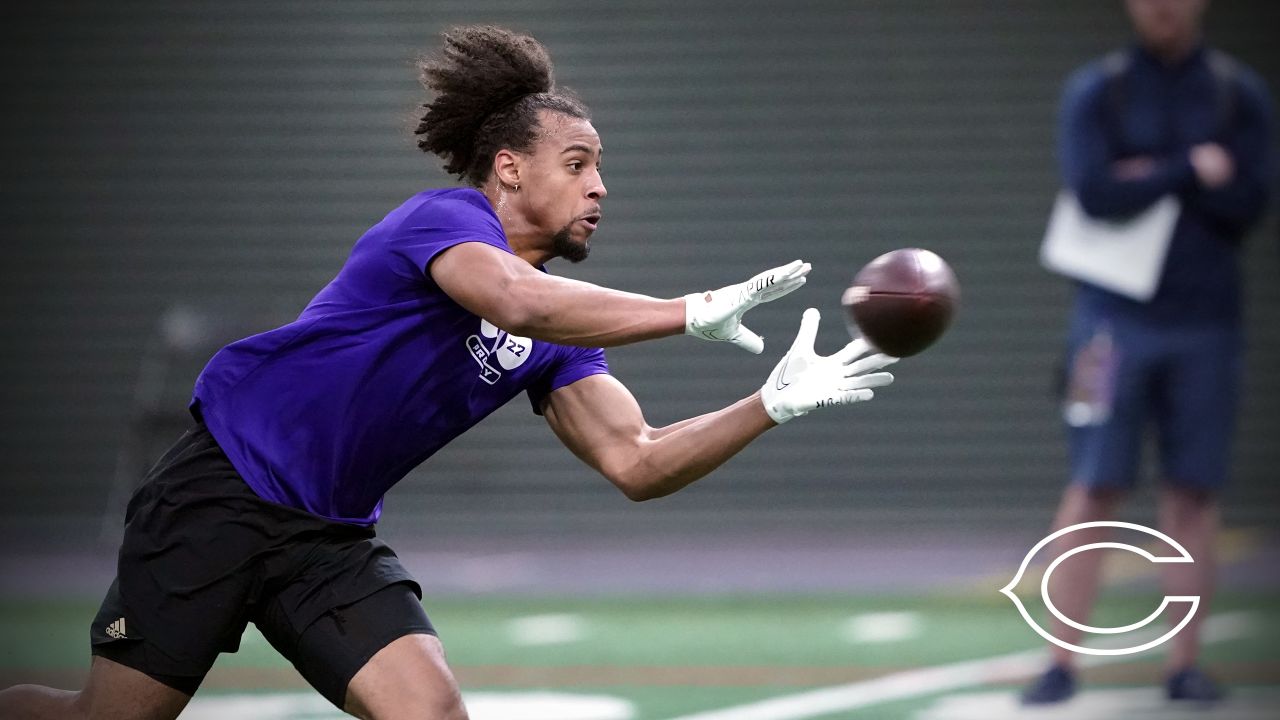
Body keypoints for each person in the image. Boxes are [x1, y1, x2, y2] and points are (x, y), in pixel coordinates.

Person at [0, 25, 898, 720]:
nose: (601, 187)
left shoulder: (560, 326)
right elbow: (516, 302)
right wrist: (692, 311)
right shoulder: (443, 220)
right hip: (220, 493)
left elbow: (637, 460)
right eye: (577, 164)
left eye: (602, 169)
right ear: (509, 169)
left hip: (325, 535)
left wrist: (769, 404)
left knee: (430, 709)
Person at [1022, 0, 1272, 706]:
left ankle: (1184, 664)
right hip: (1105, 326)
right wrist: (1193, 169)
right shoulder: (1097, 91)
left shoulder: (1238, 94)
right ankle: (1058, 663)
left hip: (1207, 325)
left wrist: (1149, 175)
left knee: (1193, 491)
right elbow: (1094, 192)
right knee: (1092, 484)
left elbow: (1252, 200)